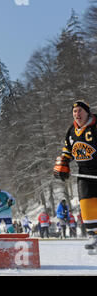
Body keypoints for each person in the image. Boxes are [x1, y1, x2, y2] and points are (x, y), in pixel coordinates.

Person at [53, 101, 97, 250]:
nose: (77, 114)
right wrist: (63, 163)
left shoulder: (95, 126)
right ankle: (94, 236)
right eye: (74, 112)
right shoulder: (71, 131)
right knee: (86, 204)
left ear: (87, 112)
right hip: (84, 174)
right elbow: (68, 150)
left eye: (80, 111)